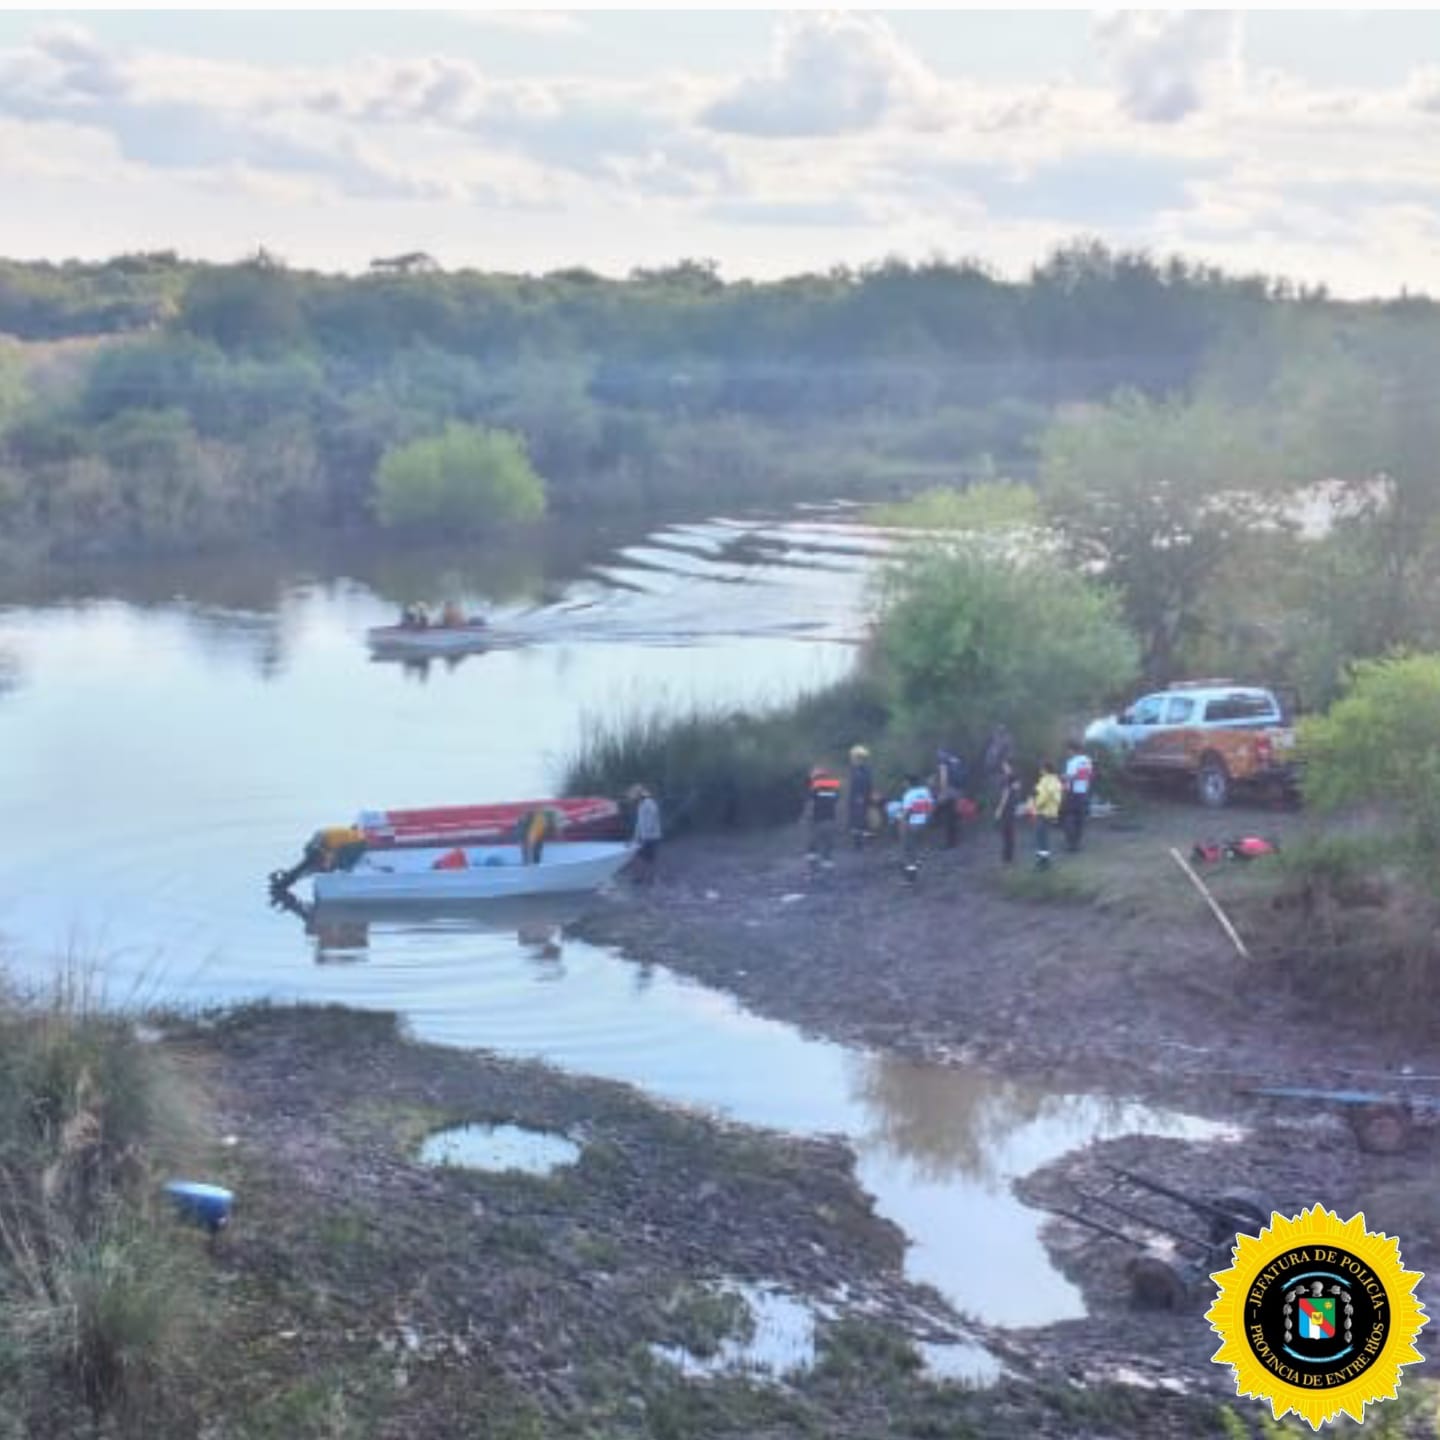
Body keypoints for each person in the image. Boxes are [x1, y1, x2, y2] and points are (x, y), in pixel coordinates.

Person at [802, 764, 843, 870]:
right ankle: (826, 860)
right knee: (828, 840)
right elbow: (837, 800)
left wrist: (807, 815)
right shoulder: (833, 786)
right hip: (829, 817)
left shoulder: (813, 787)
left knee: (814, 838)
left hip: (817, 818)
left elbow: (810, 802)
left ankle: (813, 858)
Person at [1061, 739, 1095, 853]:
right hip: (1084, 792)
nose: (1067, 752)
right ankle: (1077, 842)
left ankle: (1071, 843)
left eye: (1067, 750)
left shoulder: (1072, 762)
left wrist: (1064, 777)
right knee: (1080, 819)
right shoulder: (1087, 760)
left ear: (1072, 750)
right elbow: (1088, 775)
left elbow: (1071, 777)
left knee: (1068, 817)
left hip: (1072, 793)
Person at [899, 772, 934, 880]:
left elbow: (906, 814)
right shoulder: (925, 791)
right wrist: (927, 820)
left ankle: (910, 875)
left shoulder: (908, 795)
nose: (903, 784)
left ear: (909, 783)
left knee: (908, 850)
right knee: (918, 846)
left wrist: (902, 827)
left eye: (904, 782)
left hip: (913, 825)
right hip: (924, 824)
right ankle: (918, 861)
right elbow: (930, 807)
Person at [932, 746, 966, 849]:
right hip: (959, 791)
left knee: (946, 817)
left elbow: (944, 778)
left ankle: (949, 843)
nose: (937, 755)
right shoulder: (956, 760)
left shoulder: (943, 762)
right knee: (953, 816)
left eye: (938, 753)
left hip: (949, 792)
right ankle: (954, 841)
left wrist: (942, 792)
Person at [628, 784, 662, 885]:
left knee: (649, 859)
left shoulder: (649, 803)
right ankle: (640, 878)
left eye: (635, 796)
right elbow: (639, 823)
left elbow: (653, 817)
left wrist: (646, 835)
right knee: (640, 857)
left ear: (639, 795)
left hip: (651, 837)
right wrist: (635, 837)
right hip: (644, 837)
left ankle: (650, 879)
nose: (634, 798)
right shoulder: (640, 805)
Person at [1032, 761, 1062, 869]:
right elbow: (1058, 798)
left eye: (1041, 768)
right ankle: (1044, 860)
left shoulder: (1045, 780)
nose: (1040, 770)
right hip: (1051, 812)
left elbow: (1043, 796)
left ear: (1045, 769)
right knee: (1044, 837)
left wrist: (1036, 805)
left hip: (1043, 812)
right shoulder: (1056, 780)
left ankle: (1043, 861)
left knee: (1041, 837)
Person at [994, 758, 1023, 865]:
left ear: (1008, 766)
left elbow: (1005, 794)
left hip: (1007, 807)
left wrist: (999, 809)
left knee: (1006, 832)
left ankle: (1006, 857)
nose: (1003, 767)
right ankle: (1010, 856)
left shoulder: (1008, 778)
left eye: (1004, 765)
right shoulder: (1016, 777)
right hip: (1013, 806)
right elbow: (1017, 790)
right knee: (1011, 832)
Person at [846, 745, 874, 849]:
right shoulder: (858, 770)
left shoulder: (861, 771)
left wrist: (860, 797)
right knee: (857, 821)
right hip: (857, 798)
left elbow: (863, 785)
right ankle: (859, 842)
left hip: (859, 799)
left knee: (859, 821)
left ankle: (860, 843)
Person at [982, 724, 1014, 805]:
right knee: (991, 791)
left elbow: (1007, 758)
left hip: (998, 771)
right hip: (992, 770)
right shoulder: (994, 741)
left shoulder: (1006, 740)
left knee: (997, 792)